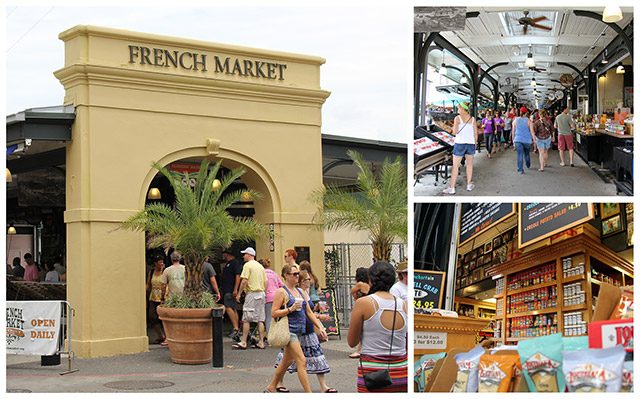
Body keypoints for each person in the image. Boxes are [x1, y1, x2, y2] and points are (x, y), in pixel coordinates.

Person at [264, 264, 328, 393]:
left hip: (300, 330)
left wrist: (320, 326)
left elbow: (308, 312)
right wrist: (290, 309)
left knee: (286, 361)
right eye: (294, 274)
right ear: (286, 276)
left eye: (298, 273)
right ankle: (308, 393)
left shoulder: (299, 291)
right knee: (301, 361)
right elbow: (274, 313)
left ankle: (272, 386)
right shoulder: (282, 291)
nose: (297, 276)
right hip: (289, 331)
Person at [348, 261, 407, 393]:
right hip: (401, 373)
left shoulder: (364, 303)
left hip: (372, 374)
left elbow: (352, 342)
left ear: (370, 280)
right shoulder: (404, 305)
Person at [233, 247, 266, 350]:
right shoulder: (260, 266)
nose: (243, 256)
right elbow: (266, 281)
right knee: (260, 319)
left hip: (252, 293)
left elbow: (244, 281)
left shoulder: (247, 265)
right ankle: (261, 342)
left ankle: (243, 341)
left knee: (246, 318)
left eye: (245, 254)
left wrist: (239, 293)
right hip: (261, 293)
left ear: (249, 255)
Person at [443, 102, 478, 195]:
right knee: (469, 165)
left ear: (463, 109)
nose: (457, 109)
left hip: (460, 144)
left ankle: (452, 188)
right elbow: (475, 133)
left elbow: (454, 132)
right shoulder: (473, 119)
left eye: (458, 108)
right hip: (470, 144)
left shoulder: (457, 118)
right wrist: (475, 143)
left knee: (455, 166)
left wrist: (448, 128)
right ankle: (469, 185)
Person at [349, 267, 370, 359]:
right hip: (369, 306)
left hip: (361, 307)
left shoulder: (360, 284)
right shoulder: (368, 284)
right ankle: (361, 349)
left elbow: (352, 291)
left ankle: (359, 350)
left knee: (361, 329)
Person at [221, 249, 242, 340]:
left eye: (224, 254)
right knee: (233, 308)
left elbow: (238, 276)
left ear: (228, 254)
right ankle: (236, 327)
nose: (223, 256)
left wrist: (235, 289)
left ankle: (235, 328)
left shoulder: (234, 263)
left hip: (230, 290)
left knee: (228, 308)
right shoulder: (228, 264)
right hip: (227, 289)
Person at [146, 255, 167, 345]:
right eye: (159, 262)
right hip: (153, 297)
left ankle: (167, 337)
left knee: (164, 318)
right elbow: (148, 284)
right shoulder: (151, 272)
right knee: (152, 317)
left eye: (162, 262)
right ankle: (160, 335)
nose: (161, 264)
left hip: (163, 298)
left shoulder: (165, 272)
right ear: (155, 264)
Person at [260, 258, 284, 334]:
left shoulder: (262, 274)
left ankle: (270, 337)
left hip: (267, 297)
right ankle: (276, 334)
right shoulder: (274, 274)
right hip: (277, 297)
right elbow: (282, 285)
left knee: (268, 318)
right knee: (275, 318)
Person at [512, 108, 536, 174]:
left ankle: (520, 170)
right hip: (527, 140)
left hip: (517, 140)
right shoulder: (529, 121)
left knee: (519, 155)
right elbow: (532, 132)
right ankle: (528, 164)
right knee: (527, 153)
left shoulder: (515, 120)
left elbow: (513, 131)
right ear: (526, 113)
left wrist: (513, 140)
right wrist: (534, 141)